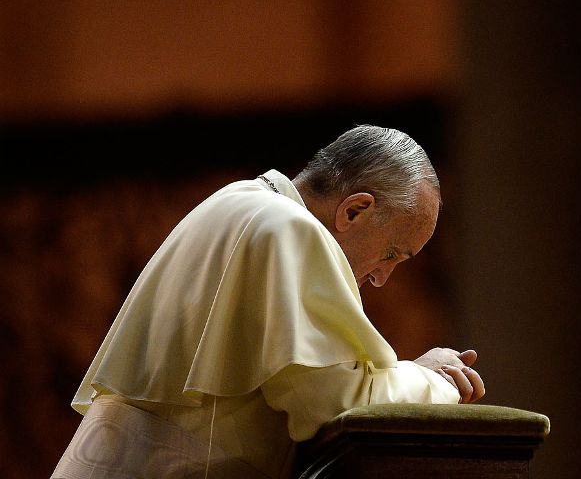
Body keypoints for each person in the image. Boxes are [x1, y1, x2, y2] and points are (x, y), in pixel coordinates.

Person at [52, 125, 484, 479]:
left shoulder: (238, 202)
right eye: (392, 253)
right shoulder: (289, 231)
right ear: (355, 210)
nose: (381, 276)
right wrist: (434, 380)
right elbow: (338, 403)